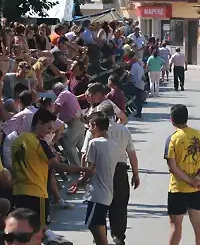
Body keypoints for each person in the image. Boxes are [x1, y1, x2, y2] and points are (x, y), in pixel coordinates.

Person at [11, 108, 91, 245]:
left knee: (24, 231)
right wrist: (83, 169)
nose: (50, 131)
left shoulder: (18, 141)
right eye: (49, 127)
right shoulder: (39, 142)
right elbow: (58, 166)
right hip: (36, 192)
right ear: (39, 123)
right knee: (37, 232)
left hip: (18, 191)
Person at [80, 103, 139, 245]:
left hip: (100, 171)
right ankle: (118, 237)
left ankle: (100, 238)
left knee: (100, 207)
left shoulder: (93, 130)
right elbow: (131, 153)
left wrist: (84, 176)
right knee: (119, 206)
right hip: (119, 171)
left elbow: (84, 154)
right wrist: (135, 174)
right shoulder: (123, 130)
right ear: (113, 114)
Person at [164, 104, 200, 245]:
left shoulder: (172, 139)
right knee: (197, 223)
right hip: (197, 188)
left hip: (178, 188)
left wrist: (188, 180)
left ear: (171, 120)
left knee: (175, 225)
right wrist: (198, 177)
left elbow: (172, 167)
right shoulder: (199, 135)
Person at [70, 112, 117, 245]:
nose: (89, 129)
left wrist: (79, 182)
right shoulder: (113, 143)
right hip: (107, 192)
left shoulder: (94, 143)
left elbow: (90, 169)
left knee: (93, 224)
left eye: (90, 126)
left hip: (97, 193)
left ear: (95, 125)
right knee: (98, 224)